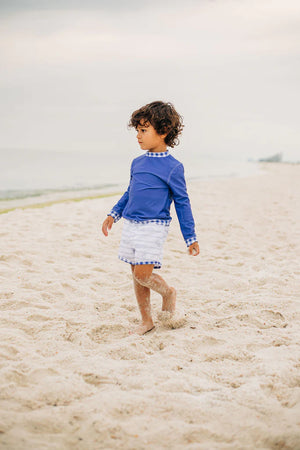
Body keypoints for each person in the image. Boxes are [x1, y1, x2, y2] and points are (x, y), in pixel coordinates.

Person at [102, 101, 199, 335]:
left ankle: (168, 292)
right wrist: (114, 214)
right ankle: (146, 320)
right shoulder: (137, 163)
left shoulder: (173, 167)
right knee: (136, 274)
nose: (138, 135)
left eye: (144, 130)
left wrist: (190, 237)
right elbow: (130, 191)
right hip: (132, 224)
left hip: (154, 226)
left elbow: (182, 202)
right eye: (137, 130)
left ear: (163, 131)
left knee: (143, 274)